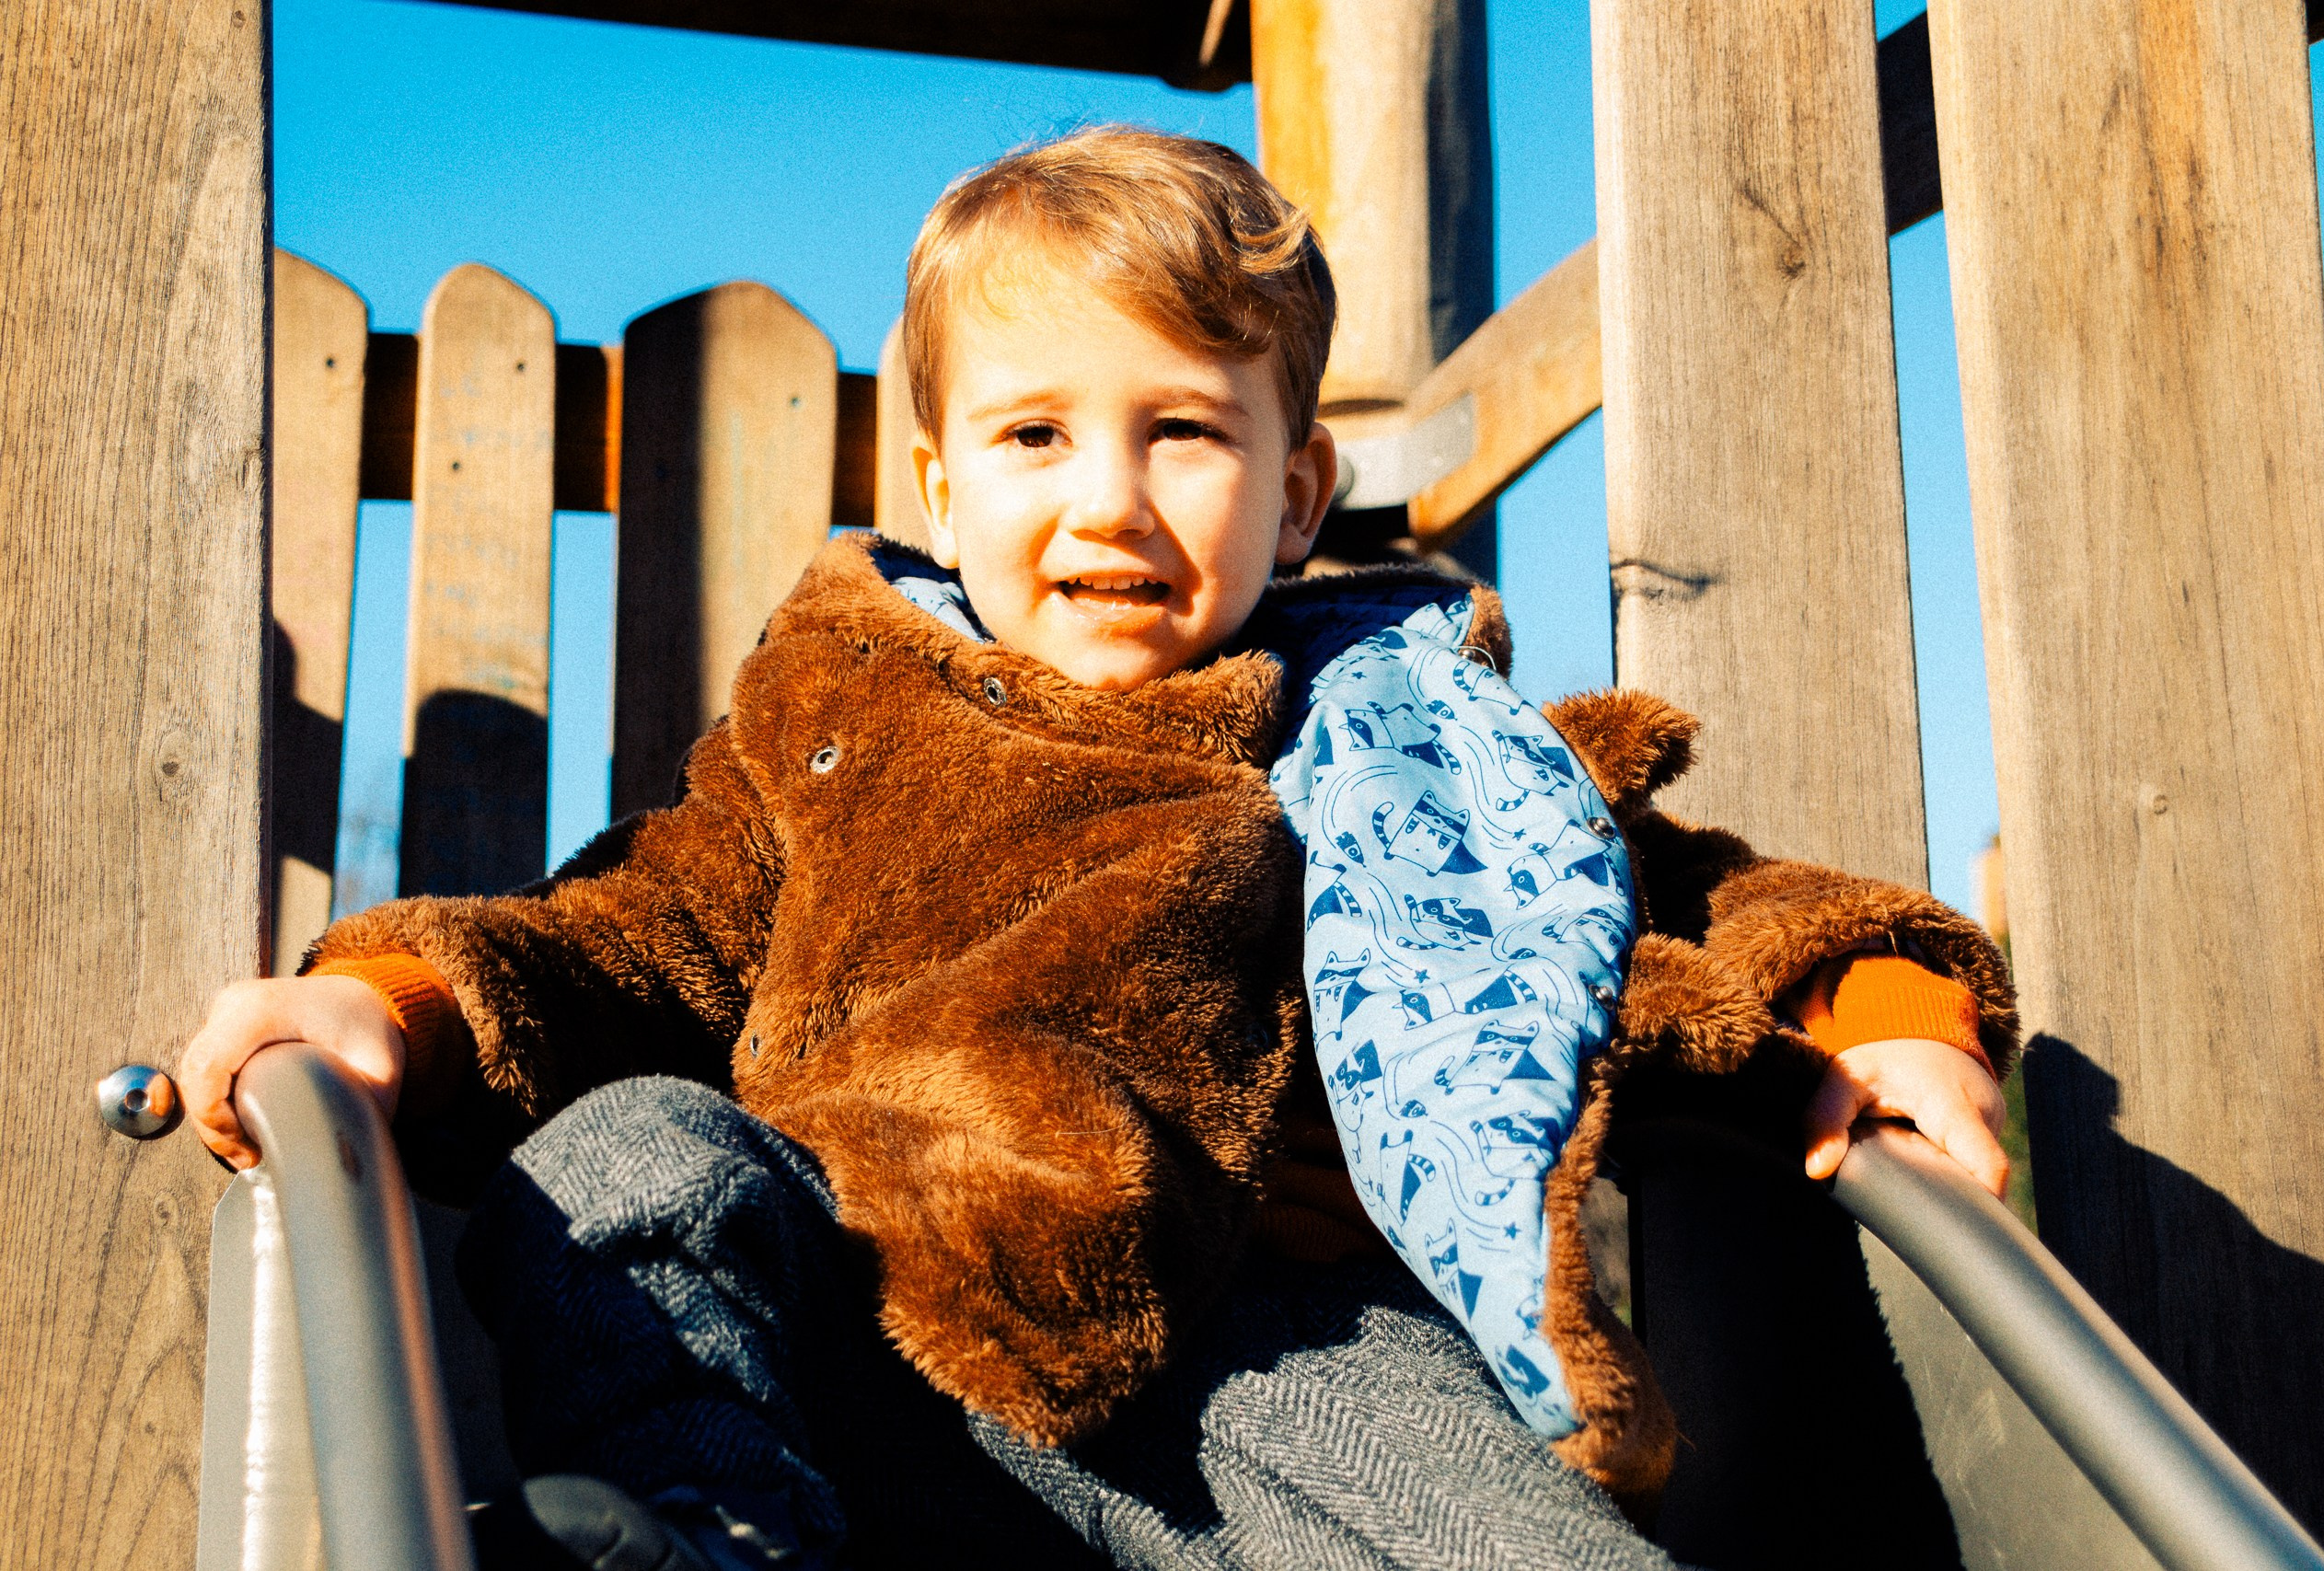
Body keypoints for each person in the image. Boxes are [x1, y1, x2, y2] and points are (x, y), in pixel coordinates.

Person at [179, 127, 2016, 1571]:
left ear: (1294, 490)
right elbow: (634, 931)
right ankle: (713, 1539)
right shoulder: (833, 724)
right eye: (1036, 432)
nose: (1106, 497)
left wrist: (1889, 1009)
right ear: (940, 486)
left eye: (1184, 433)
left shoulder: (1403, 737)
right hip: (855, 1335)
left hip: (1265, 1344)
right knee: (629, 1150)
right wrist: (393, 998)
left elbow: (1695, 894)